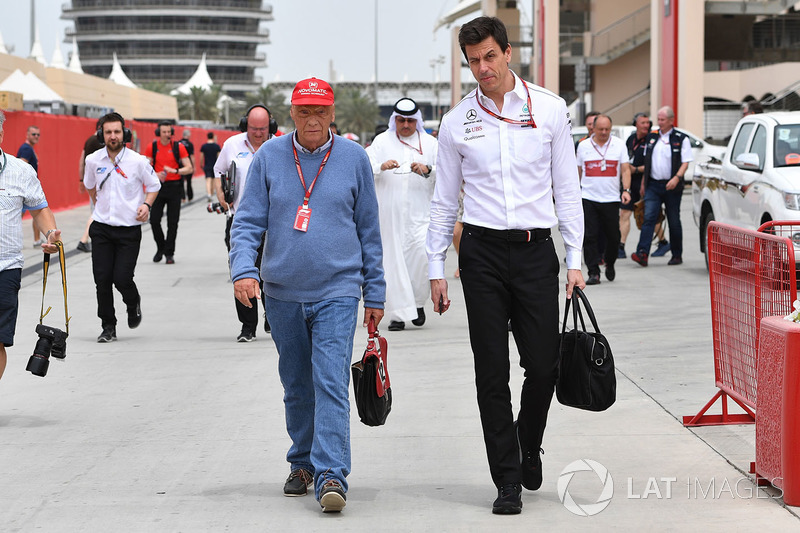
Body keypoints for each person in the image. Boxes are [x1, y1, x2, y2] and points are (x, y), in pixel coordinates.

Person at [426, 17, 585, 515]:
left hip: (537, 252)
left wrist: (575, 260)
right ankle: (507, 478)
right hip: (481, 254)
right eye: (473, 61)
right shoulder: (457, 122)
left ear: (508, 52)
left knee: (543, 365)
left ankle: (527, 441)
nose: (482, 68)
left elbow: (568, 190)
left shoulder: (550, 110)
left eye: (489, 56)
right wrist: (435, 266)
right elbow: (443, 201)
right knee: (490, 371)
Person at [229, 77, 385, 514]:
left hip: (338, 290)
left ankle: (331, 472)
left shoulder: (354, 159)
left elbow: (370, 232)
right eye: (304, 111)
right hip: (282, 293)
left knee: (330, 381)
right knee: (297, 385)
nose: (312, 119)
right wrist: (243, 270)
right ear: (291, 114)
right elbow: (247, 223)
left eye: (320, 111)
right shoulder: (268, 158)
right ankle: (302, 462)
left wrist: (375, 292)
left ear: (332, 113)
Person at [84, 112, 161, 342]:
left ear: (124, 133)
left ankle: (132, 301)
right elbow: (89, 186)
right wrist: (99, 204)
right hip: (101, 228)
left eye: (117, 131)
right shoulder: (93, 160)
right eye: (108, 132)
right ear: (101, 135)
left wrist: (146, 204)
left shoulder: (138, 161)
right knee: (102, 279)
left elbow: (154, 184)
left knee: (122, 278)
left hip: (129, 230)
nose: (113, 136)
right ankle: (108, 326)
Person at [366, 97, 437, 331]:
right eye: (400, 120)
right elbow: (365, 168)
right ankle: (397, 315)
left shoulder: (429, 143)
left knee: (420, 260)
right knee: (393, 263)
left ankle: (417, 305)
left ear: (416, 121)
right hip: (390, 215)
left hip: (421, 215)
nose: (405, 125)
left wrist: (427, 170)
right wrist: (380, 167)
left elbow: (445, 172)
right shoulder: (381, 141)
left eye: (409, 120)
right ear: (394, 120)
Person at [0, 110, 62, 381]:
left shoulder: (21, 171)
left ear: (1, 133)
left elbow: (40, 209)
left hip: (6, 268)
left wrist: (50, 234)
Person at [214, 104, 275, 342]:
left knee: (272, 275)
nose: (258, 133)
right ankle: (248, 327)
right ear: (244, 125)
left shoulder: (279, 148)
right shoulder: (232, 145)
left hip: (274, 225)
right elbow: (219, 173)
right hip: (241, 221)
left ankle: (274, 317)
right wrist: (223, 199)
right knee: (243, 272)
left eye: (263, 128)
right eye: (253, 128)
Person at [631, 105, 692, 267]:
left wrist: (677, 178)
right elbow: (647, 161)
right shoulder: (652, 137)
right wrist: (644, 183)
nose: (659, 122)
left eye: (662, 119)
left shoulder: (680, 138)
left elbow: (685, 162)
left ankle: (677, 254)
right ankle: (642, 252)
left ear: (671, 120)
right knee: (649, 218)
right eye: (658, 119)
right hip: (653, 185)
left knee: (673, 219)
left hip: (672, 186)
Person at [576, 114, 631, 284]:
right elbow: (578, 171)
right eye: (601, 129)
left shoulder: (619, 145)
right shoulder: (583, 146)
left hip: (611, 198)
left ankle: (610, 263)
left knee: (613, 236)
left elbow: (625, 170)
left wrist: (626, 190)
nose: (604, 132)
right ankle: (593, 272)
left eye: (607, 129)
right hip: (588, 197)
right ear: (593, 128)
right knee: (590, 236)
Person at [145, 121, 192, 265]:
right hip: (158, 187)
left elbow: (189, 167)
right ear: (159, 132)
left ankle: (169, 253)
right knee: (154, 220)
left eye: (168, 132)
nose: (166, 135)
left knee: (173, 223)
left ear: (172, 132)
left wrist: (176, 171)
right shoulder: (152, 147)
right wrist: (155, 174)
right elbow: (145, 167)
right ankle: (161, 247)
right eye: (164, 132)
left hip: (175, 187)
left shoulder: (179, 147)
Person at [77, 120, 105, 253]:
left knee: (95, 210)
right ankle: (84, 239)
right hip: (100, 182)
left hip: (91, 181)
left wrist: (81, 179)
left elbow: (81, 161)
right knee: (97, 211)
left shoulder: (88, 141)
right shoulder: (99, 142)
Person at [16, 125, 43, 247]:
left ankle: (37, 240)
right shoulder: (26, 149)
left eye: (38, 134)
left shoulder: (28, 148)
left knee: (36, 213)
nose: (36, 136)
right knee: (17, 217)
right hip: (25, 189)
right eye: (33, 134)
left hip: (28, 189)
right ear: (27, 134)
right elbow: (21, 168)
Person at [198, 132, 221, 202]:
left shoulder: (204, 146)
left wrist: (201, 164)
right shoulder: (216, 146)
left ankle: (209, 194)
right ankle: (211, 192)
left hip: (207, 165)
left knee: (208, 180)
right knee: (214, 180)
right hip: (214, 165)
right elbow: (219, 156)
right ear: (213, 137)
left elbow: (201, 156)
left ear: (207, 137)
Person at [179, 129, 195, 202]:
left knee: (181, 181)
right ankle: (190, 196)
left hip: (180, 164)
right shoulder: (190, 144)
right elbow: (192, 156)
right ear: (188, 135)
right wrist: (193, 166)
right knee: (189, 181)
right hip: (188, 164)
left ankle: (182, 197)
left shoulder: (178, 143)